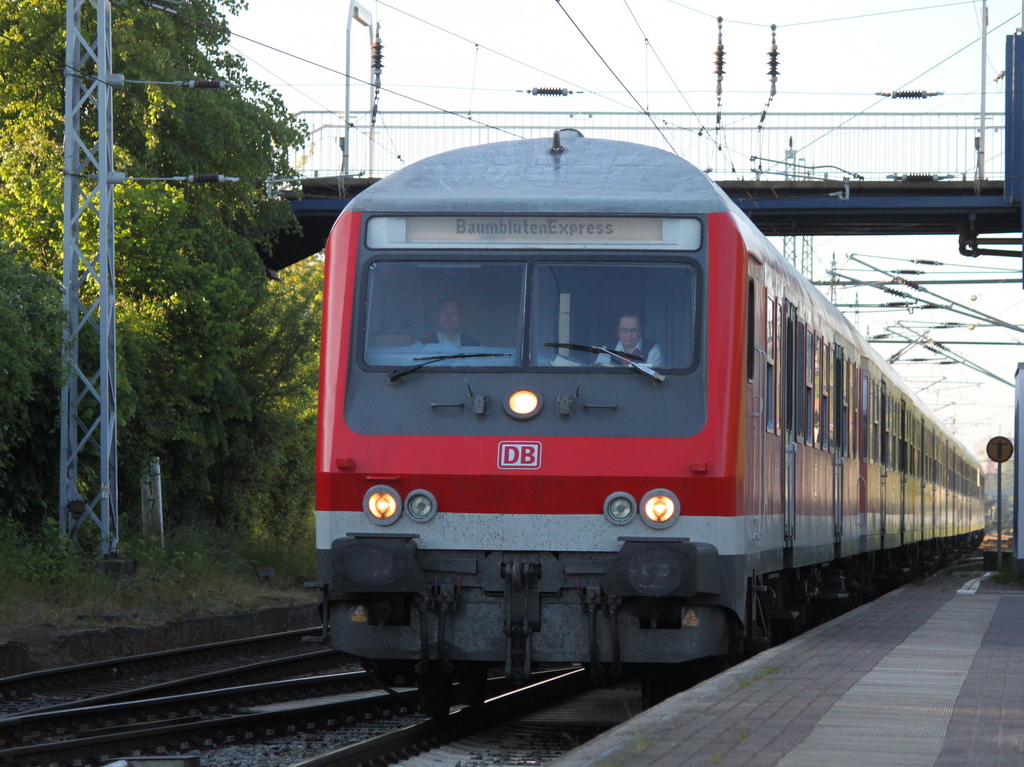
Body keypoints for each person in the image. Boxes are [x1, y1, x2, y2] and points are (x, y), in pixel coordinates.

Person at [596, 312, 663, 367]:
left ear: (641, 331)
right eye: (624, 330)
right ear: (618, 332)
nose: (629, 335)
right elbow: (600, 377)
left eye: (633, 330)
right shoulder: (607, 350)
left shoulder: (652, 349)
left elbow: (654, 377)